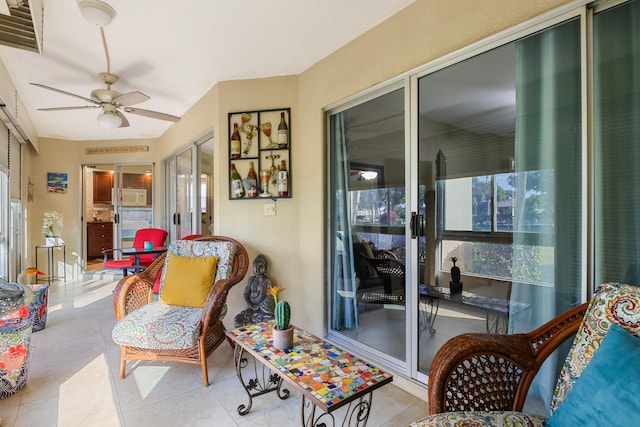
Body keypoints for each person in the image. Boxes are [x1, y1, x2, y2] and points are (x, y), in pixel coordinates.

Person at [234, 254, 275, 326]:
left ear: (265, 268)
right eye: (256, 266)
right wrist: (250, 305)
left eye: (261, 266)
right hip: (251, 309)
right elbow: (246, 294)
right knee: (237, 319)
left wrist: (260, 306)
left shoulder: (267, 281)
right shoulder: (251, 280)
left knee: (270, 319)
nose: (258, 269)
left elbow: (268, 298)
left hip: (263, 310)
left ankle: (258, 319)